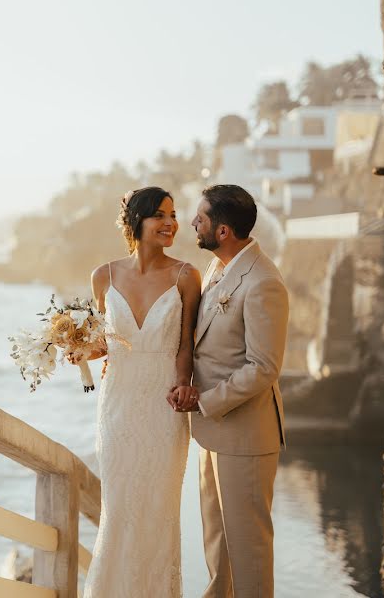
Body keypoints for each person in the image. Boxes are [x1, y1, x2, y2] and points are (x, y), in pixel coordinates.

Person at [75, 186, 202, 597]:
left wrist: (184, 385)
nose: (170, 223)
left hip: (164, 406)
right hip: (118, 405)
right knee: (120, 507)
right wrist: (72, 348)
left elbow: (186, 344)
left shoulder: (186, 276)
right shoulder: (103, 276)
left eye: (173, 214)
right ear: (136, 222)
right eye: (159, 215)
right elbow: (103, 344)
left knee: (158, 509)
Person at [173, 184, 289, 598]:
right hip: (213, 433)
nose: (192, 224)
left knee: (249, 554)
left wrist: (205, 401)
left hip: (245, 437)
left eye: (199, 218)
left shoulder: (262, 282)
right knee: (218, 549)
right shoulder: (219, 268)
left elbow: (264, 367)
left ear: (222, 230)